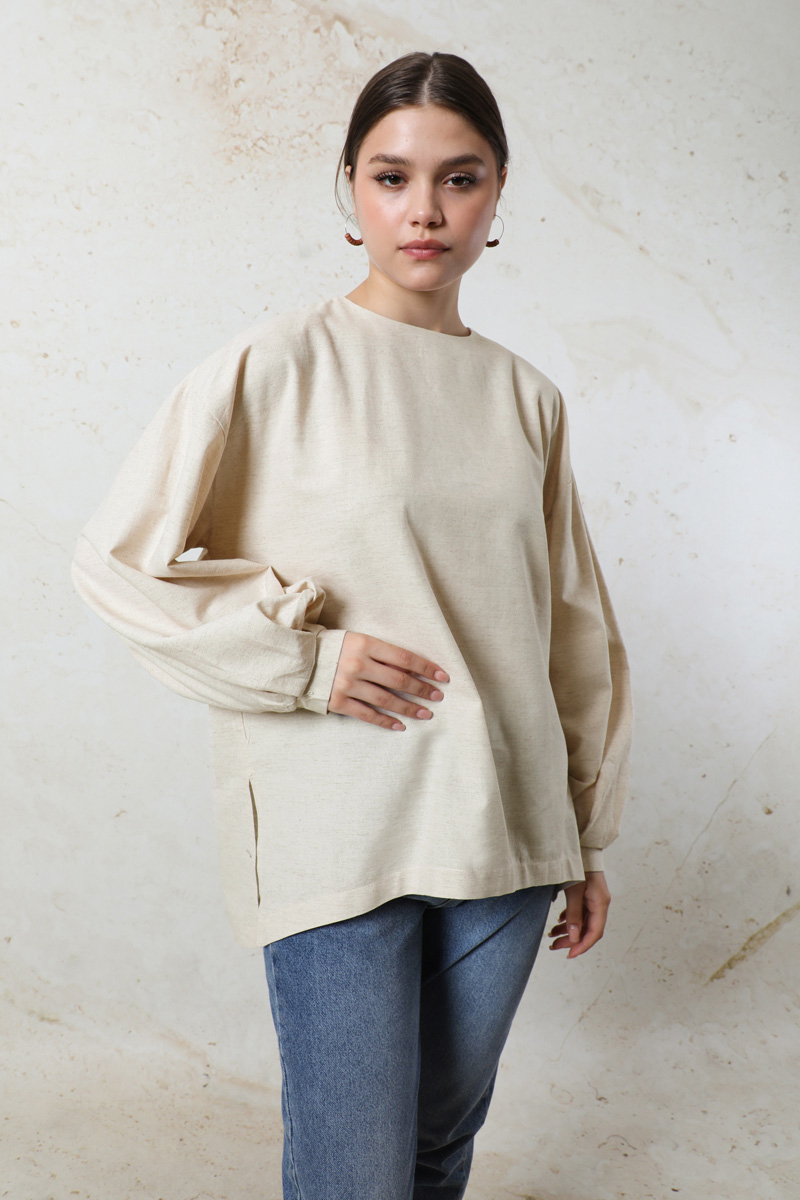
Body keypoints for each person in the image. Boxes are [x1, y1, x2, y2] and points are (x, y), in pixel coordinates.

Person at [71, 49, 632, 1200]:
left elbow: (571, 629)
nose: (423, 209)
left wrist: (582, 835)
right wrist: (304, 664)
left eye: (458, 178)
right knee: (355, 1176)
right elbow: (117, 564)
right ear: (350, 188)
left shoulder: (525, 397)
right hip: (337, 831)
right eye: (390, 177)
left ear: (496, 193)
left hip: (504, 829)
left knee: (433, 1156)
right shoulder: (273, 364)